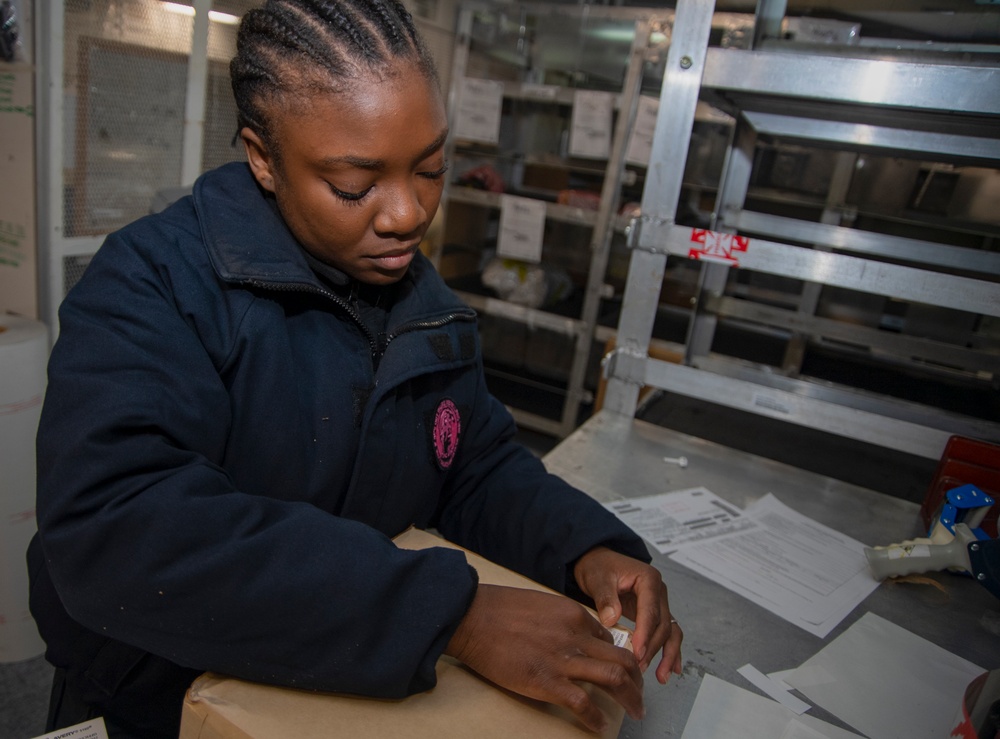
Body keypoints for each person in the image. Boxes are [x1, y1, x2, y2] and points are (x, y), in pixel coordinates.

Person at [27, 0, 683, 736]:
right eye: (353, 186)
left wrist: (586, 547)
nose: (407, 213)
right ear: (263, 158)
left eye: (431, 167)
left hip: (337, 685)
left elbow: (473, 462)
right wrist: (453, 615)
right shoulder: (152, 285)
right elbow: (118, 529)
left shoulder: (421, 300)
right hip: (159, 696)